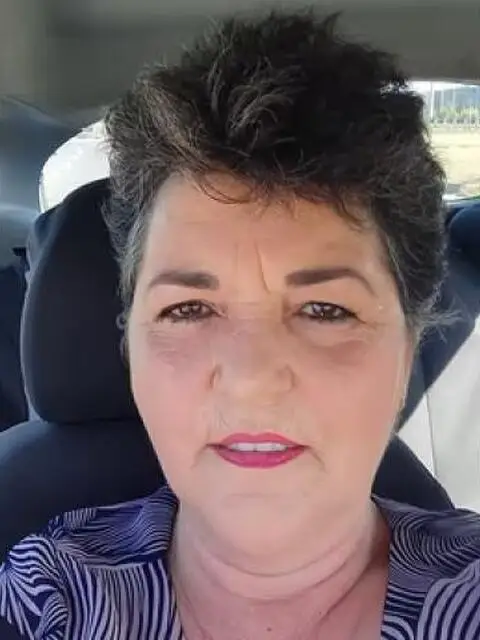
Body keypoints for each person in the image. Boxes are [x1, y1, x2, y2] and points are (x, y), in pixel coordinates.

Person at [1, 10, 480, 640]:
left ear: (408, 345)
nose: (251, 380)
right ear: (130, 349)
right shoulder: (46, 592)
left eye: (325, 310)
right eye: (188, 310)